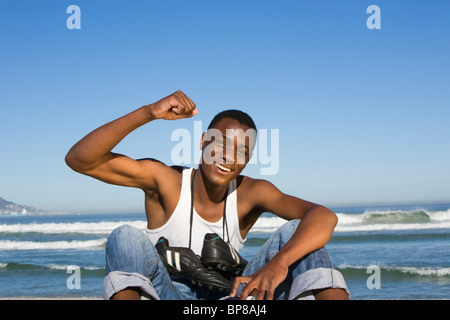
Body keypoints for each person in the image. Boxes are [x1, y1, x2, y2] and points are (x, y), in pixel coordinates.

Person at [65, 90, 349, 300]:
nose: (228, 156)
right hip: (169, 295)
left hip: (233, 298)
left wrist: (279, 264)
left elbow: (322, 216)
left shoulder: (252, 191)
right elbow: (80, 159)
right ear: (203, 141)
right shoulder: (167, 181)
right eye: (222, 143)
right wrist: (149, 112)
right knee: (124, 236)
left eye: (241, 151)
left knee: (297, 233)